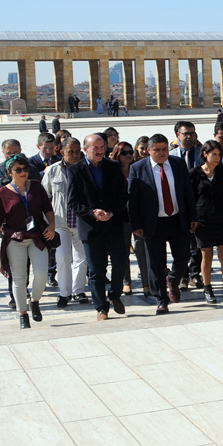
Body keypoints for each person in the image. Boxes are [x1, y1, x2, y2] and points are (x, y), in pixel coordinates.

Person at [128, 134, 198, 314]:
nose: (161, 153)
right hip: (153, 223)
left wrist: (193, 216)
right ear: (149, 150)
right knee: (156, 264)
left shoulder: (178, 164)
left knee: (183, 256)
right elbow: (133, 200)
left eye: (164, 149)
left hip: (177, 219)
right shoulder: (138, 168)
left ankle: (173, 280)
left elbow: (188, 192)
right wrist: (136, 225)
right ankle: (161, 300)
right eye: (157, 150)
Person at [0, 154, 56, 328]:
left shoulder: (35, 186)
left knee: (41, 274)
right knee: (19, 278)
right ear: (9, 172)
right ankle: (23, 314)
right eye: (18, 170)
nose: (22, 172)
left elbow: (47, 207)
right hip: (14, 239)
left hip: (36, 237)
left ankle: (34, 301)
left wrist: (52, 225)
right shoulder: (3, 192)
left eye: (25, 169)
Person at [67, 134, 128, 321]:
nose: (100, 151)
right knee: (96, 271)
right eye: (96, 148)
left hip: (113, 224)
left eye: (102, 147)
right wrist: (92, 213)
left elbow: (122, 194)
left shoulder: (113, 166)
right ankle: (101, 307)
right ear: (86, 149)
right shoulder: (75, 170)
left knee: (120, 262)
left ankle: (115, 294)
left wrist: (112, 212)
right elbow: (73, 202)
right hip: (91, 228)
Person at [42, 137, 90, 307]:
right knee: (62, 257)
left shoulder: (86, 169)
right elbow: (44, 197)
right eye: (71, 152)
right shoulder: (52, 171)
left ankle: (78, 291)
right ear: (62, 152)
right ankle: (64, 293)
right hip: (60, 223)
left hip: (81, 222)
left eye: (78, 151)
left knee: (81, 258)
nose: (75, 155)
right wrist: (48, 223)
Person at [189, 140, 223, 306]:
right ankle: (207, 288)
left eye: (219, 155)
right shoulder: (195, 173)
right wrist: (192, 219)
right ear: (205, 154)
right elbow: (190, 199)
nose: (217, 158)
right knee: (206, 255)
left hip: (221, 218)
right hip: (202, 220)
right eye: (214, 154)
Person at [110, 141, 139, 295]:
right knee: (124, 251)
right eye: (124, 153)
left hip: (137, 214)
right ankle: (126, 281)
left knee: (141, 250)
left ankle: (147, 282)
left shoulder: (137, 169)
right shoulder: (113, 172)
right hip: (121, 216)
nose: (128, 155)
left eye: (130, 152)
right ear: (117, 154)